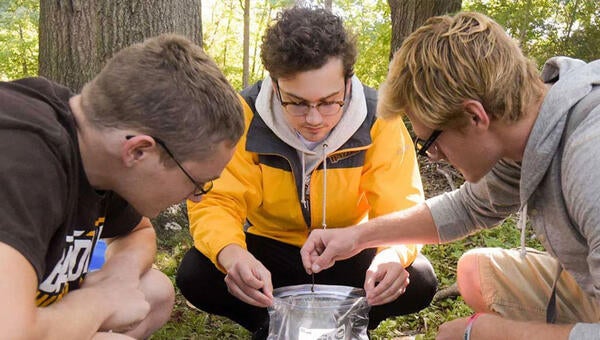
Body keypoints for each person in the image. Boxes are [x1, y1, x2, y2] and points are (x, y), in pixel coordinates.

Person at [300, 11, 600, 340]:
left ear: (475, 116)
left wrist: (490, 333)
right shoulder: (528, 133)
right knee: (476, 273)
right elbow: (467, 208)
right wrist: (356, 237)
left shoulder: (589, 159)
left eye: (430, 141)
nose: (433, 154)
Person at [175, 6, 438, 338]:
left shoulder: (379, 118)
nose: (314, 119)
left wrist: (392, 256)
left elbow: (401, 208)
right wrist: (232, 254)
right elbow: (217, 201)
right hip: (271, 253)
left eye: (329, 101)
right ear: (274, 84)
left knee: (419, 277)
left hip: (349, 249)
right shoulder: (242, 116)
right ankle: (269, 324)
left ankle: (351, 323)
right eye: (297, 103)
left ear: (348, 81)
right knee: (196, 272)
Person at [0, 34, 244, 339]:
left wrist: (118, 276)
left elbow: (138, 232)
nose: (196, 198)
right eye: (196, 182)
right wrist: (100, 301)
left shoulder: (98, 146)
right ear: (139, 151)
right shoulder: (22, 156)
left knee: (153, 291)